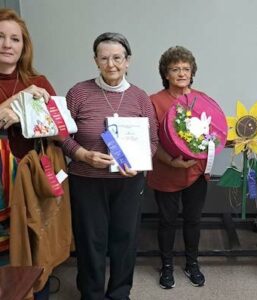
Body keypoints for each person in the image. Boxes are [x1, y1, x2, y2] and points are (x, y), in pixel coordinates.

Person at [61, 32, 158, 299]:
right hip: (86, 179)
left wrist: (139, 163)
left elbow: (152, 140)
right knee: (90, 240)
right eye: (104, 58)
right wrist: (82, 155)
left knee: (124, 240)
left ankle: (119, 293)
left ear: (128, 61)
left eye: (117, 58)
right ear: (95, 61)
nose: (111, 64)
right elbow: (62, 136)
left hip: (128, 181)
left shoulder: (140, 98)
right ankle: (91, 293)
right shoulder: (78, 93)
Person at [147, 46, 208, 289]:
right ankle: (167, 266)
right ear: (166, 73)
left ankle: (192, 263)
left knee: (193, 220)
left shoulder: (203, 100)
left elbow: (212, 134)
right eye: (175, 69)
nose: (181, 73)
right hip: (166, 171)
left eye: (186, 68)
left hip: (196, 171)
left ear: (192, 72)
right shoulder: (154, 101)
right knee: (167, 221)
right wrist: (169, 161)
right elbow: (151, 139)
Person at [0, 7, 56, 259]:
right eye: (0, 36)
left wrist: (23, 116)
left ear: (24, 46)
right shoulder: (30, 89)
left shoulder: (39, 81)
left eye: (15, 39)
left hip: (31, 174)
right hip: (0, 184)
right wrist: (21, 99)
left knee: (34, 242)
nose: (7, 44)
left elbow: (60, 131)